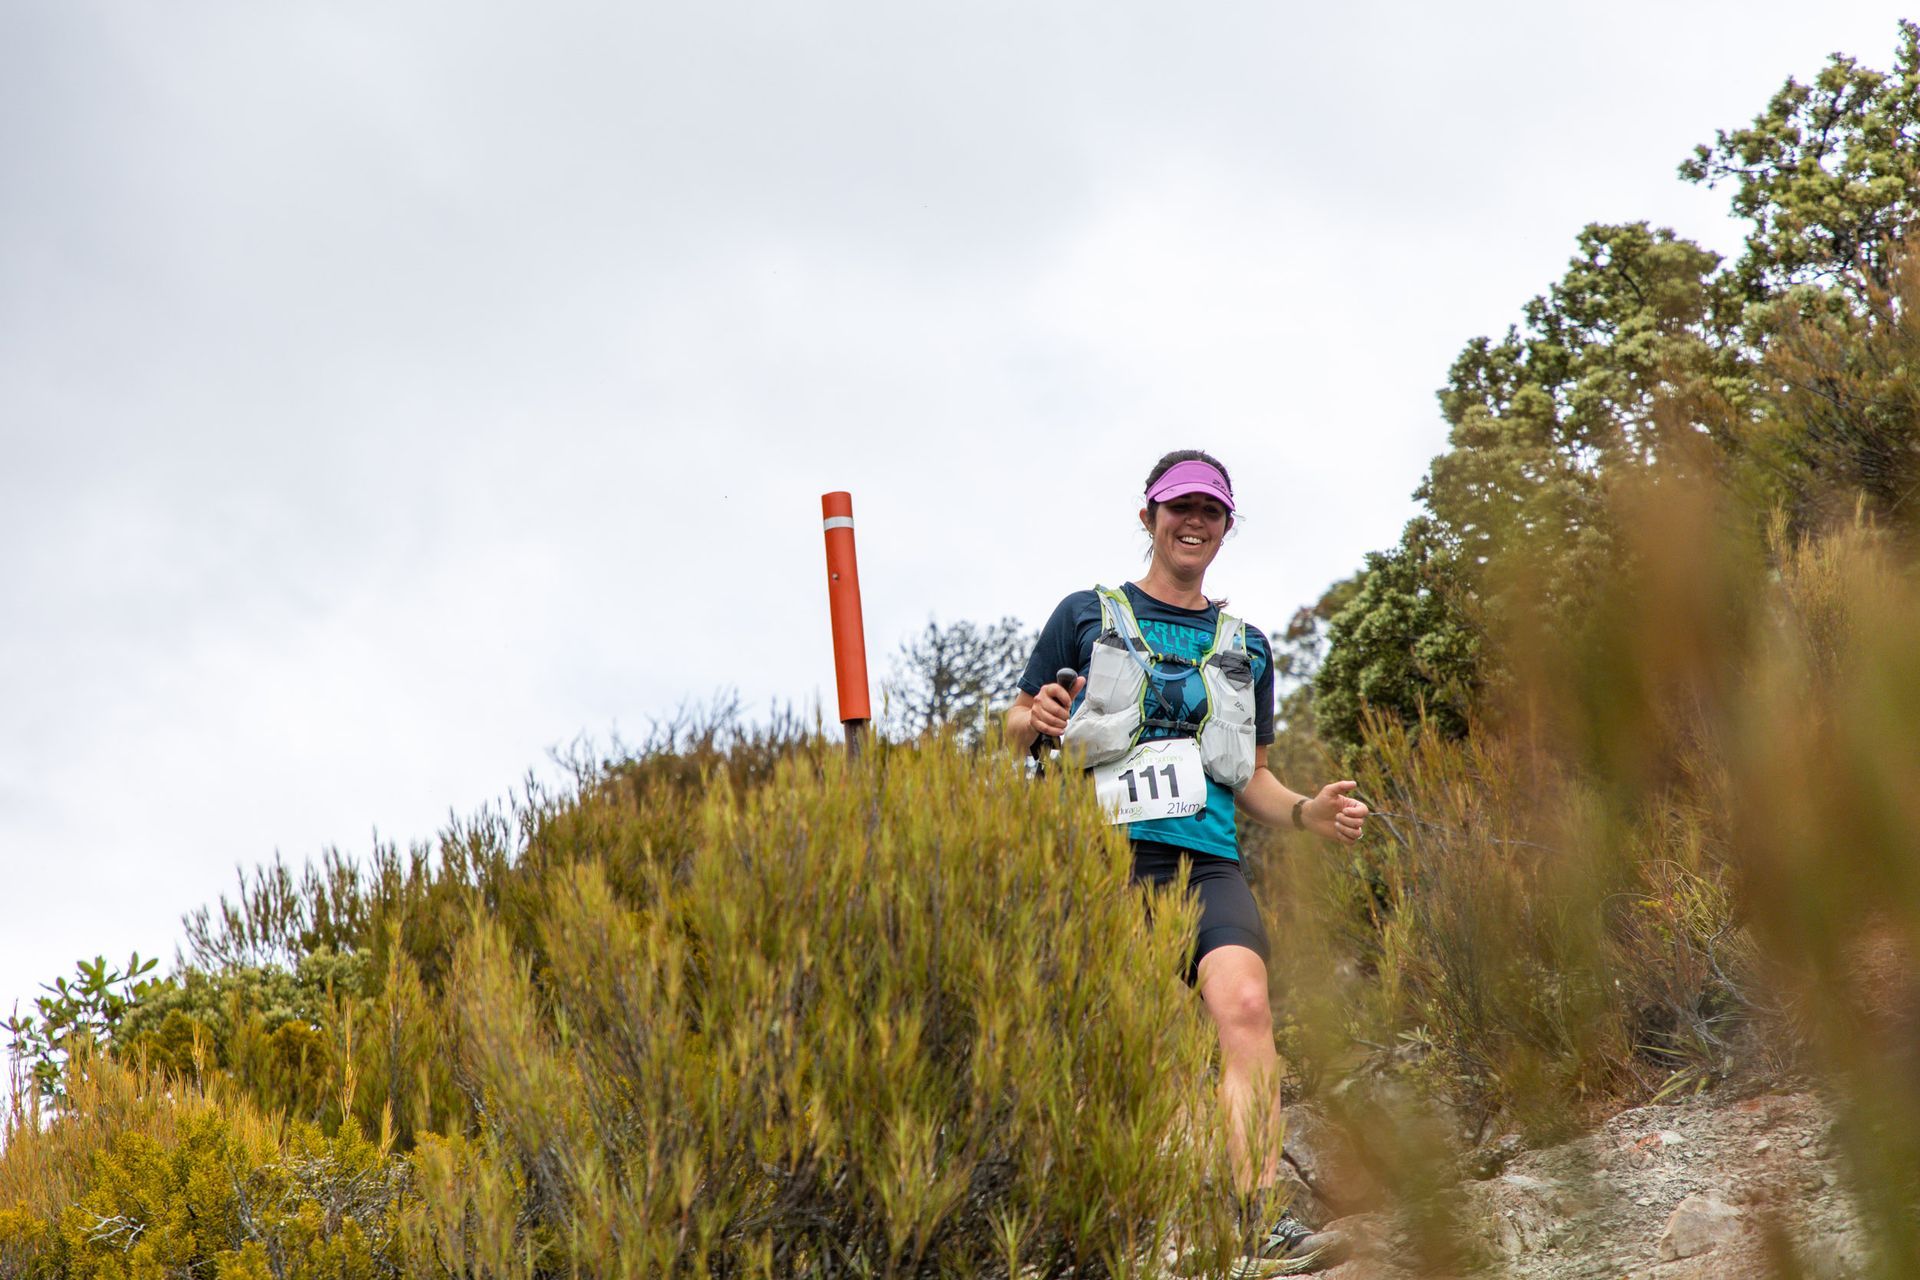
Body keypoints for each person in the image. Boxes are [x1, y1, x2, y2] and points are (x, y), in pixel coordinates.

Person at [1006, 449, 1368, 1277]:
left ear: (1226, 527)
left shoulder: (1248, 647)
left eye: (1210, 510)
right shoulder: (1084, 614)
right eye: (1180, 508)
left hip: (1207, 863)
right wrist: (1038, 719)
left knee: (1246, 1006)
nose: (1194, 522)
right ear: (1150, 518)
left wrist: (1307, 812)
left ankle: (1254, 1218)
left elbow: (1254, 777)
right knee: (1113, 1045)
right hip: (1101, 863)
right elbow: (1016, 724)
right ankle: (1095, 1225)